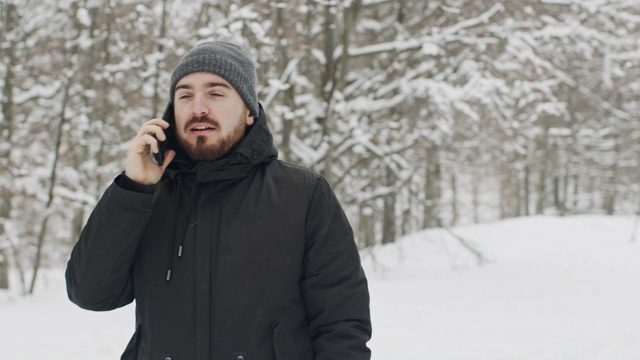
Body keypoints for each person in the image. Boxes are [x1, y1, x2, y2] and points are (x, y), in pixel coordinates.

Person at [65, 41, 372, 360]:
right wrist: (132, 187)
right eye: (185, 95)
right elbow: (90, 293)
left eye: (216, 93)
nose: (198, 108)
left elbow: (342, 326)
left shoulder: (303, 194)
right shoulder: (146, 197)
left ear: (249, 112)